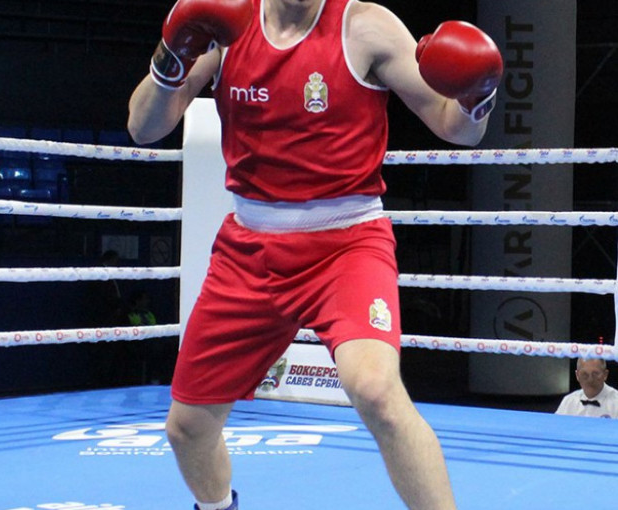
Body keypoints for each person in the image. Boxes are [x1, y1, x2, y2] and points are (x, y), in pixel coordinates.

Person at [127, 0, 502, 508]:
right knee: (187, 428)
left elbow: (457, 127)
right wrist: (172, 54)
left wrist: (477, 96)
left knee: (376, 391)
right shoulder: (226, 21)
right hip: (250, 248)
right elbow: (143, 127)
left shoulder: (366, 26)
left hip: (347, 243)